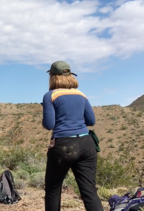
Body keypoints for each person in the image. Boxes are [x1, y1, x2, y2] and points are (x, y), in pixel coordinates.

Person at [42, 61, 103, 211]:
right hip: (86, 144)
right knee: (89, 190)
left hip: (63, 146)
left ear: (52, 77)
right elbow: (91, 121)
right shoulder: (81, 94)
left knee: (53, 189)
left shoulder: (50, 96)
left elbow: (49, 124)